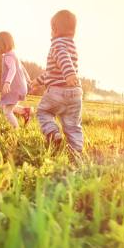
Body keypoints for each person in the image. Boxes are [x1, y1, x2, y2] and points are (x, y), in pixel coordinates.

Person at [30, 10, 84, 155]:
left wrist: (69, 73)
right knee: (73, 125)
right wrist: (38, 81)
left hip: (57, 92)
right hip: (75, 93)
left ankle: (53, 133)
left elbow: (62, 56)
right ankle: (76, 151)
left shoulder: (57, 44)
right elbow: (51, 73)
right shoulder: (72, 46)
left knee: (43, 111)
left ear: (54, 29)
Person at [0, 31, 32, 128]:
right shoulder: (14, 54)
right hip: (20, 87)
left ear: (4, 44)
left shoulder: (8, 57)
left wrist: (7, 82)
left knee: (7, 111)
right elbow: (22, 69)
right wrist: (28, 81)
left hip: (14, 88)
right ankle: (25, 111)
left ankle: (16, 129)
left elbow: (13, 69)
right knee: (2, 104)